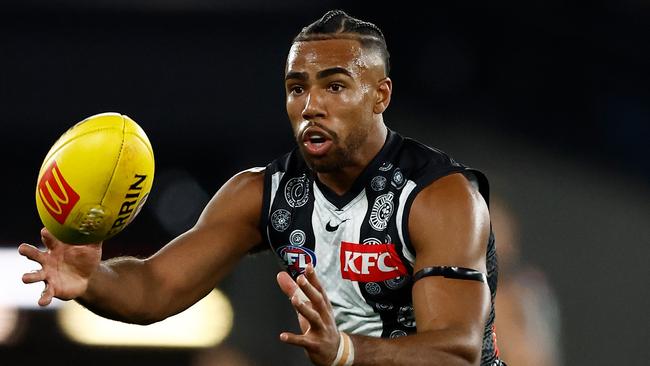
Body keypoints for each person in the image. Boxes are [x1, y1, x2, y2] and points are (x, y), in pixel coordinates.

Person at [19, 10, 504, 366]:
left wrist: (346, 350)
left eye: (334, 86)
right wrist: (92, 279)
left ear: (381, 95)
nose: (311, 104)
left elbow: (456, 350)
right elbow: (155, 287)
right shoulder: (262, 193)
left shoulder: (439, 195)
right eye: (297, 88)